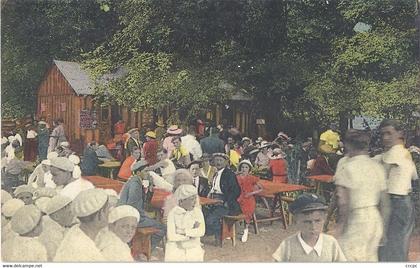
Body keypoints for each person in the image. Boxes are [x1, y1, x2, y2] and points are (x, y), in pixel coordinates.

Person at [333, 129, 389, 261]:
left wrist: (341, 227)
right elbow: (385, 203)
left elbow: (343, 202)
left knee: (347, 258)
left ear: (347, 145)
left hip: (355, 219)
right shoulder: (377, 167)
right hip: (374, 219)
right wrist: (384, 229)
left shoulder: (346, 168)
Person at [376, 119, 418, 262]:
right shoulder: (405, 152)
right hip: (405, 202)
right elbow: (414, 176)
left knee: (390, 247)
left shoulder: (394, 152)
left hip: (395, 202)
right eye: (382, 135)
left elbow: (380, 176)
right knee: (400, 245)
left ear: (400, 133)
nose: (385, 138)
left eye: (389, 133)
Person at [272, 193, 346, 262]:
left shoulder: (331, 243)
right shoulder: (287, 245)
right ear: (296, 221)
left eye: (317, 221)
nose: (313, 227)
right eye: (307, 222)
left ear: (324, 219)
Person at [117, 161, 166, 253]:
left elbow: (142, 202)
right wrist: (145, 216)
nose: (148, 173)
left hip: (125, 216)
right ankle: (145, 249)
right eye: (145, 171)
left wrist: (150, 188)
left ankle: (141, 247)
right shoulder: (135, 184)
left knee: (153, 220)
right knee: (162, 228)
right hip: (130, 218)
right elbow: (133, 206)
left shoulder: (134, 181)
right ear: (139, 172)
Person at [54, 189, 110, 261]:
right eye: (108, 209)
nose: (110, 212)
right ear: (100, 215)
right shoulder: (87, 253)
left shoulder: (75, 230)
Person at [204, 153, 242, 243]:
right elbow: (214, 187)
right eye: (216, 160)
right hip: (213, 200)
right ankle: (214, 233)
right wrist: (209, 194)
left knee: (210, 220)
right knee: (203, 214)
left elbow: (236, 191)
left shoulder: (229, 174)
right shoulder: (215, 173)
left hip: (225, 203)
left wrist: (226, 201)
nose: (218, 162)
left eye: (221, 160)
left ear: (225, 162)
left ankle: (219, 235)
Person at [165, 184, 205, 262]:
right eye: (192, 199)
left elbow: (201, 231)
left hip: (193, 248)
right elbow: (171, 236)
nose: (195, 202)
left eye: (195, 199)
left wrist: (182, 231)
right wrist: (190, 236)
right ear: (182, 200)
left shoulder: (197, 212)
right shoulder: (173, 213)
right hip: (176, 248)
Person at [39, 194, 74, 261]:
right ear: (56, 217)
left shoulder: (57, 225)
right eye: (69, 213)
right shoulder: (51, 234)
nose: (73, 216)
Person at [236, 160, 263, 242]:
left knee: (247, 210)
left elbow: (261, 189)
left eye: (246, 167)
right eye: (243, 167)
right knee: (233, 209)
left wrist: (251, 193)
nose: (244, 169)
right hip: (239, 197)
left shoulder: (252, 178)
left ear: (249, 169)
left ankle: (246, 229)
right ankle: (232, 231)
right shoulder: (237, 177)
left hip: (248, 198)